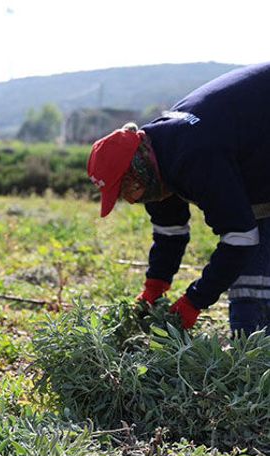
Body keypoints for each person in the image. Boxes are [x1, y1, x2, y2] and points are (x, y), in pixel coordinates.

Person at [86, 63, 270, 334]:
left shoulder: (194, 155)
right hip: (256, 150)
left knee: (252, 269)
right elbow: (170, 231)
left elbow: (240, 237)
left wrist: (194, 301)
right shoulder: (156, 152)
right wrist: (155, 287)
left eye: (126, 190)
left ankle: (254, 346)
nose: (130, 199)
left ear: (137, 169)